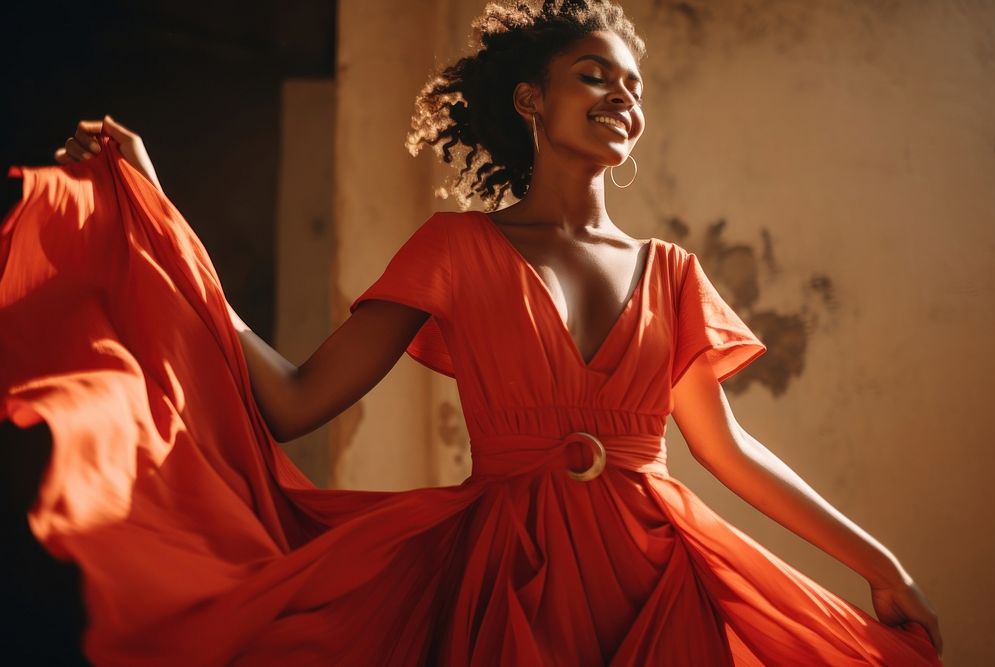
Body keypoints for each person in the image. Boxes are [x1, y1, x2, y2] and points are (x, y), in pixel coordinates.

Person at [6, 0, 942, 664]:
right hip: (505, 578)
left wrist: (882, 565)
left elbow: (726, 451)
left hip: (658, 580)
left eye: (633, 84)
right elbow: (294, 401)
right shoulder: (456, 247)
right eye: (593, 76)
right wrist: (167, 221)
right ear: (530, 101)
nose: (622, 96)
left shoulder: (673, 271)